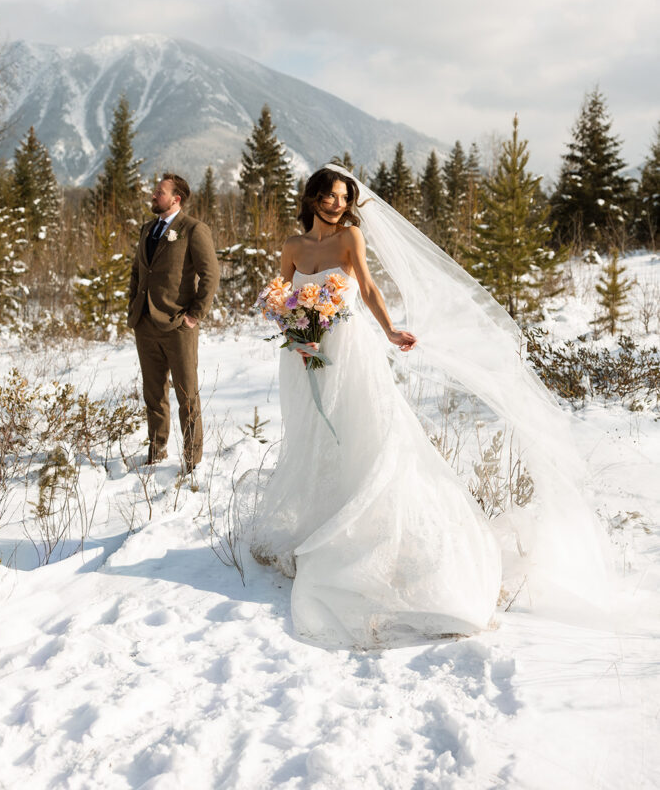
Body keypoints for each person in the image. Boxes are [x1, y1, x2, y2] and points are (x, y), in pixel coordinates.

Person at [248, 166, 610, 649]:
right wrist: (294, 332)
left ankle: (371, 529)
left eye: (342, 197)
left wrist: (391, 330)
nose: (335, 203)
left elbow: (370, 289)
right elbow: (283, 296)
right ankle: (321, 517)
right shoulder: (293, 246)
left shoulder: (350, 237)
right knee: (315, 433)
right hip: (306, 355)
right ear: (312, 197)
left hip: (350, 351)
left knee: (364, 429)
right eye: (328, 195)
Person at [128, 173, 219, 472]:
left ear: (176, 198)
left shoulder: (193, 229)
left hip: (178, 325)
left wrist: (194, 315)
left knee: (186, 395)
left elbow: (210, 275)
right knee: (153, 394)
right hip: (145, 324)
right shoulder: (147, 229)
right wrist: (134, 307)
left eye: (159, 192)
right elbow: (137, 273)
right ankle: (157, 451)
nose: (153, 196)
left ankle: (192, 460)